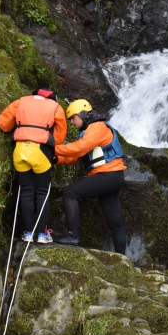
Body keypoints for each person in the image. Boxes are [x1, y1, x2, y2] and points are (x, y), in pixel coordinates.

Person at [55, 99, 127, 255]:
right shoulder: (88, 132)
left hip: (108, 176)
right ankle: (122, 259)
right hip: (112, 177)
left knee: (69, 192)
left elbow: (79, 148)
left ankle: (74, 236)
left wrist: (54, 148)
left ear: (82, 114)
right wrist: (56, 159)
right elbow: (75, 157)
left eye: (73, 118)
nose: (72, 122)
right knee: (115, 224)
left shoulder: (97, 127)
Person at [0, 88, 67, 243]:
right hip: (41, 151)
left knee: (26, 191)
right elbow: (60, 137)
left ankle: (28, 233)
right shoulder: (55, 107)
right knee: (42, 192)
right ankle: (42, 234)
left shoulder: (20, 102)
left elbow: (3, 124)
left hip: (20, 149)